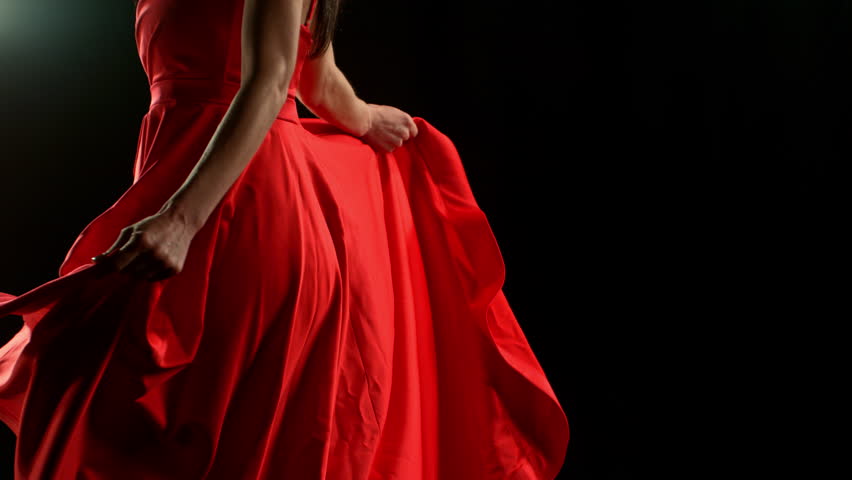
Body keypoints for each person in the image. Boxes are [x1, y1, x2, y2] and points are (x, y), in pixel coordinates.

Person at [0, 0, 570, 478]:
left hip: (244, 205)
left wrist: (181, 220)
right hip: (187, 178)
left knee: (225, 434)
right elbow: (317, 77)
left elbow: (274, 80)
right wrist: (366, 118)